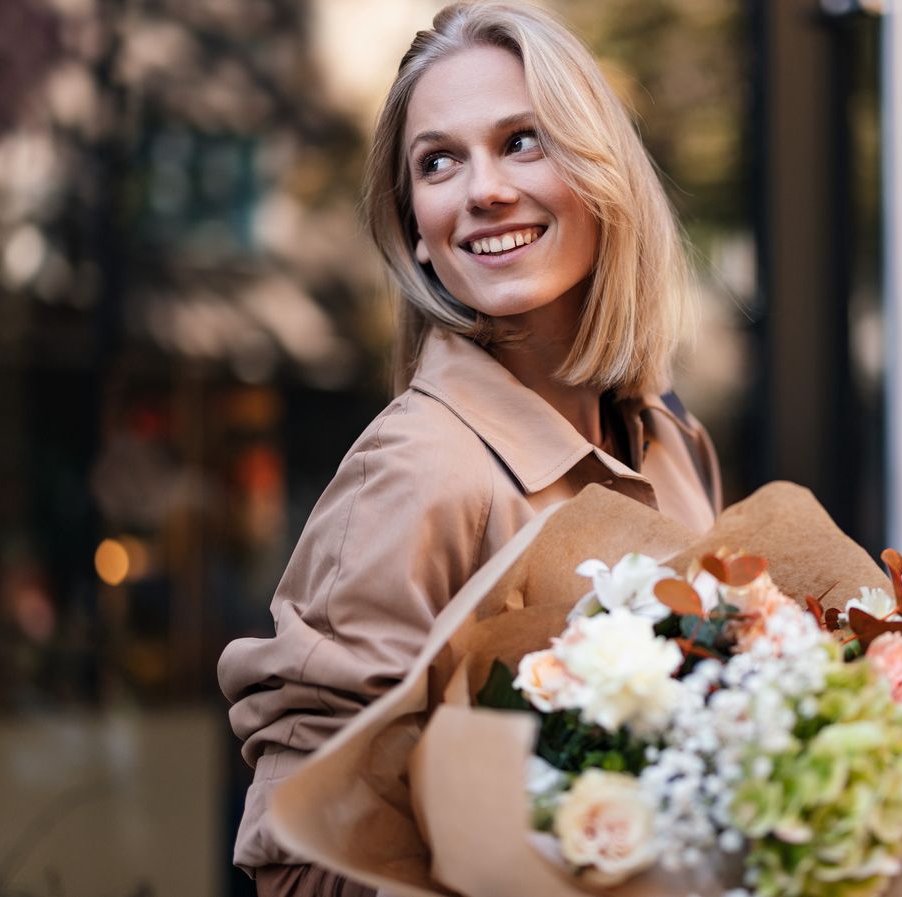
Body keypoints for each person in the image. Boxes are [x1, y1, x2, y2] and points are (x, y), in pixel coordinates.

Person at [218, 3, 723, 894]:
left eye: (523, 141)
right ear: (415, 223)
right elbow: (301, 860)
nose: (481, 189)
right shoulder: (413, 472)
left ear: (602, 174)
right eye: (439, 162)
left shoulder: (671, 442)